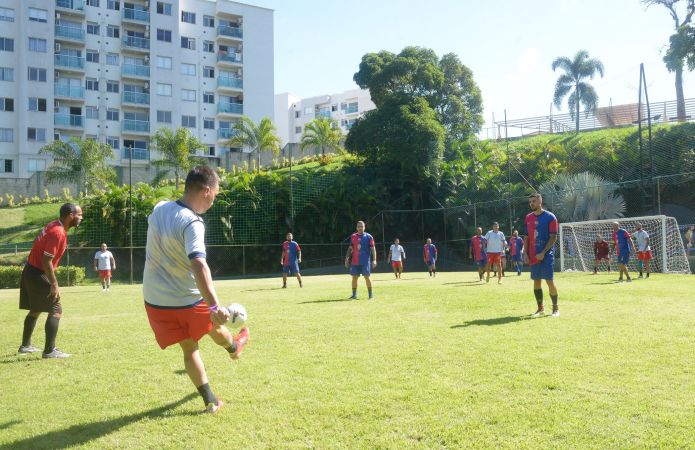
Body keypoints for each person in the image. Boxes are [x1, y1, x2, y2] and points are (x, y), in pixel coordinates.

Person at [143, 166, 249, 415]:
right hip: (186, 299)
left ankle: (211, 400)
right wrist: (215, 305)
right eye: (215, 194)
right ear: (206, 191)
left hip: (155, 301)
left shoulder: (159, 208)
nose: (214, 200)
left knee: (189, 348)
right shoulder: (193, 222)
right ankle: (235, 347)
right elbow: (199, 264)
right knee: (214, 326)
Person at [18, 202, 83, 358]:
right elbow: (46, 260)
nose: (81, 217)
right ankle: (49, 351)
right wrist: (54, 284)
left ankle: (25, 346)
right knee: (56, 308)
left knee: (36, 308)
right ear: (71, 216)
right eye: (79, 215)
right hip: (38, 272)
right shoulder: (58, 232)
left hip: (31, 270)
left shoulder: (53, 225)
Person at [523, 193, 560, 317]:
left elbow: (553, 237)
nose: (531, 203)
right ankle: (540, 309)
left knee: (549, 281)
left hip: (547, 255)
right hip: (533, 255)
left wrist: (543, 252)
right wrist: (525, 252)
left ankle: (555, 309)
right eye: (530, 202)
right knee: (536, 281)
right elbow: (526, 237)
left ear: (540, 201)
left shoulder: (550, 217)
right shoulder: (528, 217)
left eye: (533, 201)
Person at [345, 221, 377, 299]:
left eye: (362, 226)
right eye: (359, 226)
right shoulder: (353, 236)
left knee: (367, 277)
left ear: (364, 227)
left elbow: (373, 249)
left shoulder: (369, 237)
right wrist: (347, 258)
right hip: (355, 261)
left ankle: (370, 295)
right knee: (354, 277)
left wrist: (374, 260)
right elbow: (350, 248)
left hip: (365, 261)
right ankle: (354, 295)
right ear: (356, 228)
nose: (360, 228)